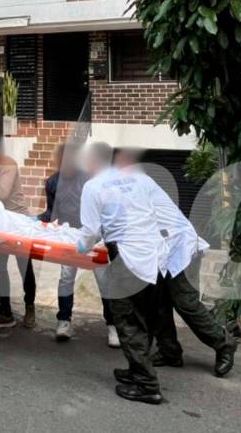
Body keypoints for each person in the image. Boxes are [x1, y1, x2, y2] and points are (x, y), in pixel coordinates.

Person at [108, 149, 237, 378]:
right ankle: (169, 351)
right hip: (159, 251)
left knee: (185, 302)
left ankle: (224, 343)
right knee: (158, 303)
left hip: (179, 247)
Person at [77, 142, 166, 405]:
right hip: (156, 255)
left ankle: (148, 385)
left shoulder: (93, 187)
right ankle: (136, 369)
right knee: (146, 317)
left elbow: (90, 232)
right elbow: (162, 210)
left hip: (128, 258)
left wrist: (79, 247)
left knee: (126, 319)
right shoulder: (140, 177)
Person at [38, 142, 115, 343]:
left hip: (94, 235)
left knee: (104, 280)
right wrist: (36, 221)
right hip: (70, 236)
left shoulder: (89, 180)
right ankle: (64, 320)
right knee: (66, 277)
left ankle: (112, 324)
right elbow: (51, 212)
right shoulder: (52, 182)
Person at [0, 136, 38, 330]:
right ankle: (5, 311)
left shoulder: (8, 164)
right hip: (0, 224)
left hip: (18, 222)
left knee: (24, 267)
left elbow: (2, 193)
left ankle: (30, 306)